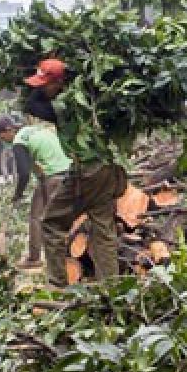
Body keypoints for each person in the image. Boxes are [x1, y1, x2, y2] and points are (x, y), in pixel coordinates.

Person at [27, 58, 128, 287]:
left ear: (60, 83)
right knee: (102, 230)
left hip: (86, 172)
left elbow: (32, 105)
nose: (41, 88)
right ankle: (112, 288)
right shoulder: (88, 97)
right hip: (106, 170)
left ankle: (58, 286)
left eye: (45, 83)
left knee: (51, 223)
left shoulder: (65, 103)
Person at [0, 113, 71, 268]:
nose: (2, 141)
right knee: (56, 216)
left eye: (1, 137)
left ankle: (36, 258)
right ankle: (51, 255)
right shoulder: (33, 130)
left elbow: (24, 174)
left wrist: (18, 195)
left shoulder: (19, 142)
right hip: (66, 172)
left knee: (38, 217)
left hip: (54, 175)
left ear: (9, 130)